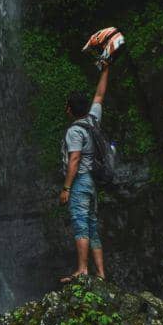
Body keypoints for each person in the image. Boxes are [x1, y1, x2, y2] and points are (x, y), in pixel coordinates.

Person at [58, 64, 110, 282]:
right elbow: (99, 95)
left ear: (69, 109)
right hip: (92, 184)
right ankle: (101, 273)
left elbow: (75, 160)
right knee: (92, 225)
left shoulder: (75, 131)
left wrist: (66, 188)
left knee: (80, 223)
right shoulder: (93, 120)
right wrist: (106, 70)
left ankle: (82, 270)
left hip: (80, 182)